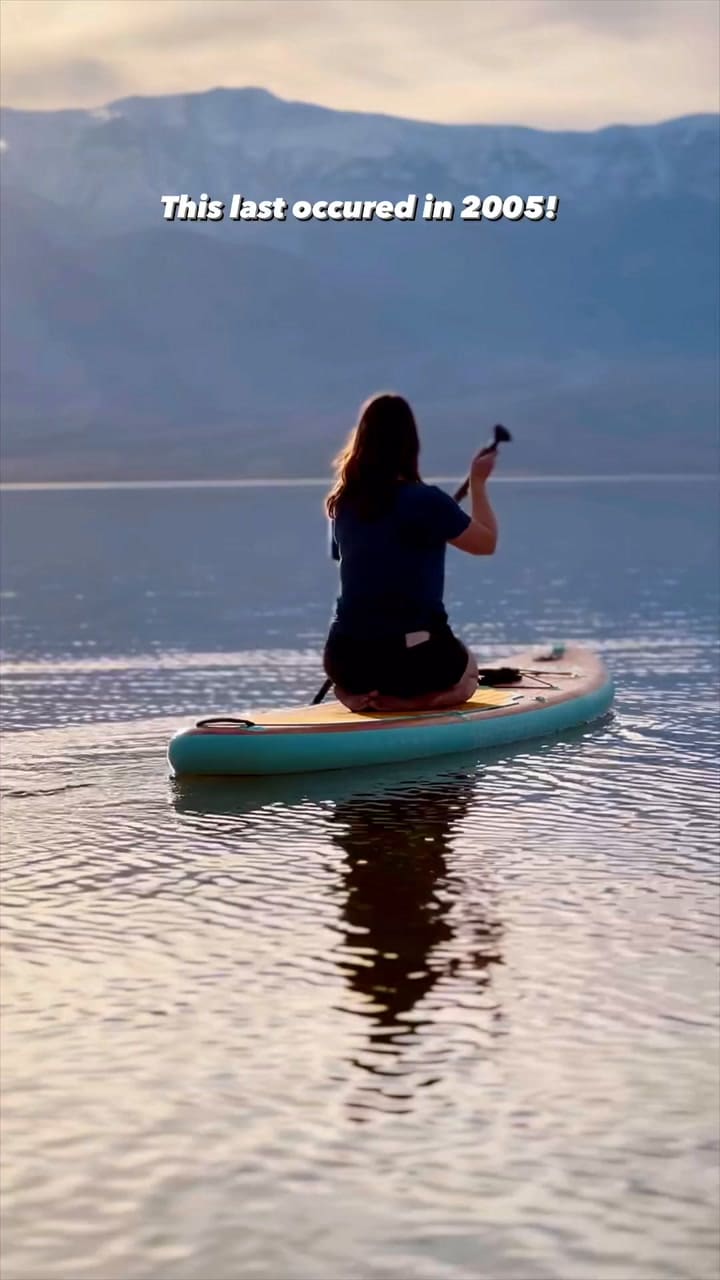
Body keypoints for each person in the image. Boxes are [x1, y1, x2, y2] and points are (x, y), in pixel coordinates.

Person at [323, 392, 498, 713]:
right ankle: (412, 702)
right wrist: (478, 483)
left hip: (344, 659)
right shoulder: (426, 501)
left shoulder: (344, 503)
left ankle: (351, 693)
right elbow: (486, 544)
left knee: (363, 660)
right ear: (410, 445)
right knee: (469, 672)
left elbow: (358, 558)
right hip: (409, 661)